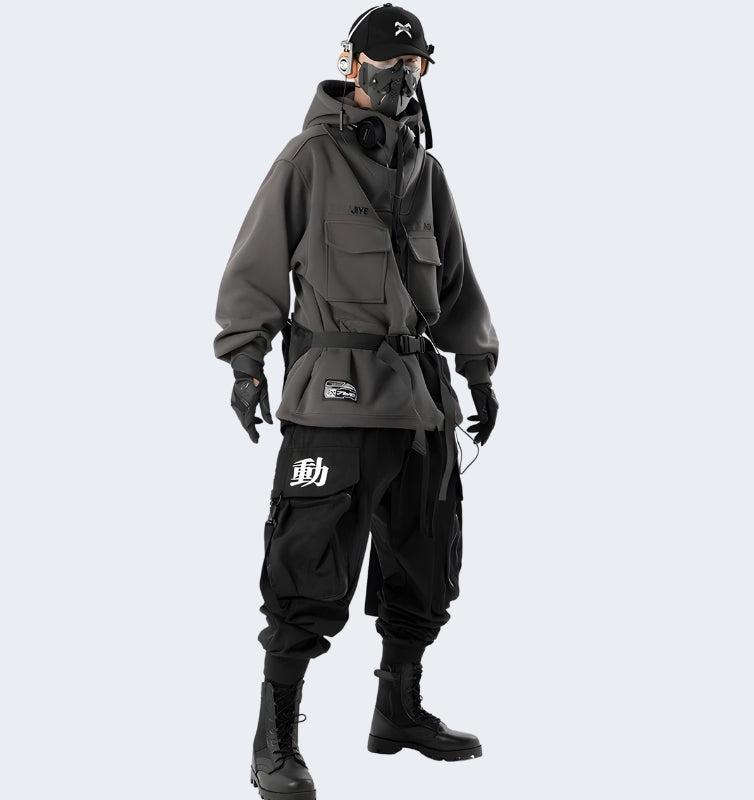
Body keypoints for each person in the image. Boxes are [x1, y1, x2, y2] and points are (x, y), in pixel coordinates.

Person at [213, 5, 499, 798]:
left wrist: (478, 370)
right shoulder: (309, 159)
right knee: (308, 565)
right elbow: (255, 267)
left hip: (420, 402)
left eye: (415, 66)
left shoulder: (425, 171)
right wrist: (245, 364)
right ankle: (274, 739)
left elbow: (456, 284)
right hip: (335, 399)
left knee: (426, 560)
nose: (402, 77)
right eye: (388, 62)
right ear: (351, 62)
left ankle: (397, 711)